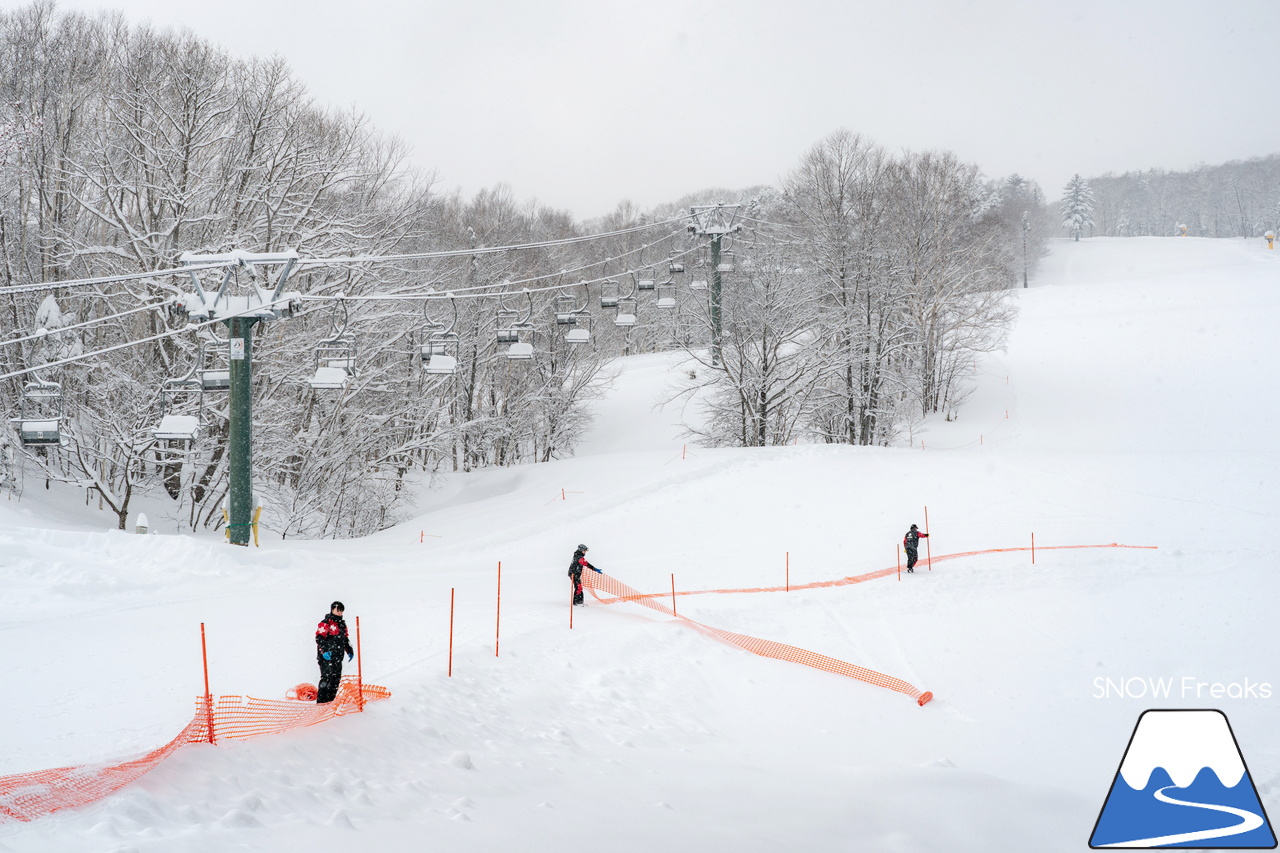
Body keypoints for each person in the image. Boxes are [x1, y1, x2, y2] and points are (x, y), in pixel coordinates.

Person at [315, 600, 354, 703]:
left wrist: (349, 650)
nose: (340, 613)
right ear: (332, 610)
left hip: (338, 657)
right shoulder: (326, 623)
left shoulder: (342, 624)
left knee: (335, 680)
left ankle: (331, 702)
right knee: (326, 679)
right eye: (338, 610)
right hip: (327, 657)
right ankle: (321, 702)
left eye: (341, 611)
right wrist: (324, 651)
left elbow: (345, 639)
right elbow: (319, 638)